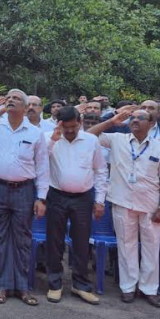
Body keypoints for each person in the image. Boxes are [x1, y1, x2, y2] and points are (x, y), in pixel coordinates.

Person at [88, 107, 160, 307]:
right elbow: (89, 135)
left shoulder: (159, 147)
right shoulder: (117, 140)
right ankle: (128, 288)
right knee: (126, 246)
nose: (135, 120)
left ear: (151, 124)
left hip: (150, 204)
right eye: (132, 118)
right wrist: (112, 121)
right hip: (123, 202)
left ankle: (149, 289)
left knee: (151, 247)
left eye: (140, 118)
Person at [0, 91, 49, 306]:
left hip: (25, 190)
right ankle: (4, 284)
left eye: (16, 99)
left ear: (26, 107)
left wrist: (41, 198)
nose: (11, 100)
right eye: (8, 98)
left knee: (22, 239)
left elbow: (43, 167)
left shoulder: (35, 133)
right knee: (0, 238)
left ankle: (22, 286)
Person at [43, 107, 107, 305]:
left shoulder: (91, 140)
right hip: (56, 195)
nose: (70, 131)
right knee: (54, 242)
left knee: (81, 242)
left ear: (80, 122)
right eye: (66, 127)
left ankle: (81, 285)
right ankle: (55, 284)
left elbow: (100, 170)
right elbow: (39, 162)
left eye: (74, 126)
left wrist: (100, 200)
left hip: (83, 198)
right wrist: (53, 139)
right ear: (59, 124)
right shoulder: (49, 138)